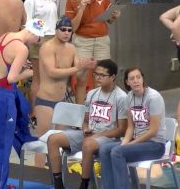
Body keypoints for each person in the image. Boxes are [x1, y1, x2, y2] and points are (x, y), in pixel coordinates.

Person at [0, 19, 45, 188]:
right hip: (2, 97)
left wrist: (13, 63)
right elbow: (11, 78)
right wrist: (27, 72)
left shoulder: (7, 35)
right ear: (34, 33)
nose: (37, 43)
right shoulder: (22, 49)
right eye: (38, 39)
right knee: (3, 144)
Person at [47, 59, 127, 189]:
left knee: (88, 143)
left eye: (102, 75)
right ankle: (58, 184)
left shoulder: (121, 97)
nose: (97, 78)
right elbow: (85, 120)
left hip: (109, 138)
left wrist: (98, 135)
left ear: (112, 77)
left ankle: (84, 184)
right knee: (53, 139)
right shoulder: (92, 93)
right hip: (90, 135)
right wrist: (85, 128)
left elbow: (122, 130)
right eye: (96, 74)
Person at [34, 16, 96, 167]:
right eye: (63, 30)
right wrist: (78, 67)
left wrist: (87, 67)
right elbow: (52, 72)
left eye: (69, 30)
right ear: (56, 30)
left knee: (60, 142)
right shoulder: (47, 47)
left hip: (61, 102)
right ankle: (38, 174)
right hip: (45, 102)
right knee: (43, 142)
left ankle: (57, 175)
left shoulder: (72, 49)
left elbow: (79, 75)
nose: (66, 33)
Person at [99, 67, 166, 189]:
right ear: (127, 82)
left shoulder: (153, 97)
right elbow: (130, 127)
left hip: (155, 145)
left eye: (138, 77)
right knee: (104, 150)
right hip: (136, 141)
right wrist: (125, 142)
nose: (136, 81)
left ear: (142, 79)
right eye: (132, 78)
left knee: (117, 152)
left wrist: (132, 144)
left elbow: (153, 131)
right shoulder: (129, 97)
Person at [65, 0, 121, 104]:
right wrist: (81, 9)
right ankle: (80, 114)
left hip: (102, 40)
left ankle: (100, 109)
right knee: (81, 79)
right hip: (82, 40)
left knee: (103, 78)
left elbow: (109, 20)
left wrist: (115, 15)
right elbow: (72, 28)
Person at [24, 0, 60, 121]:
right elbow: (27, 22)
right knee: (38, 78)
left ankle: (51, 110)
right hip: (39, 37)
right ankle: (34, 112)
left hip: (55, 38)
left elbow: (56, 18)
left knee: (52, 77)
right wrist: (39, 34)